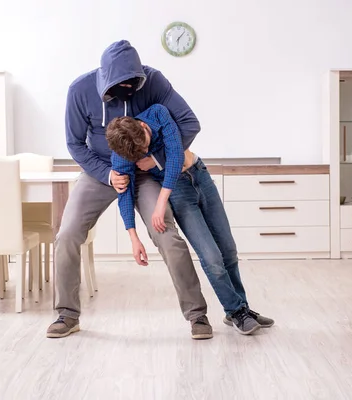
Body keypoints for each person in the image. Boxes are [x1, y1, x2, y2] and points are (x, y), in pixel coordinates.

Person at [47, 40, 213, 340]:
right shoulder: (80, 90)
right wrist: (107, 173)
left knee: (167, 236)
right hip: (101, 171)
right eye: (119, 84)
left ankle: (197, 316)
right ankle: (67, 314)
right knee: (67, 233)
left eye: (132, 83)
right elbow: (74, 143)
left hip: (145, 172)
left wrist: (155, 160)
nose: (127, 88)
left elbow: (188, 123)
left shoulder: (154, 82)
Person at [106, 104, 275, 335]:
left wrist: (159, 200)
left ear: (143, 126)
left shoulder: (157, 114)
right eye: (142, 153)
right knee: (211, 256)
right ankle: (237, 312)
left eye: (146, 145)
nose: (145, 152)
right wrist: (133, 237)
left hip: (199, 174)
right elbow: (124, 194)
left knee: (228, 250)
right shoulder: (122, 154)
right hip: (178, 191)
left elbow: (175, 154)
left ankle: (240, 309)